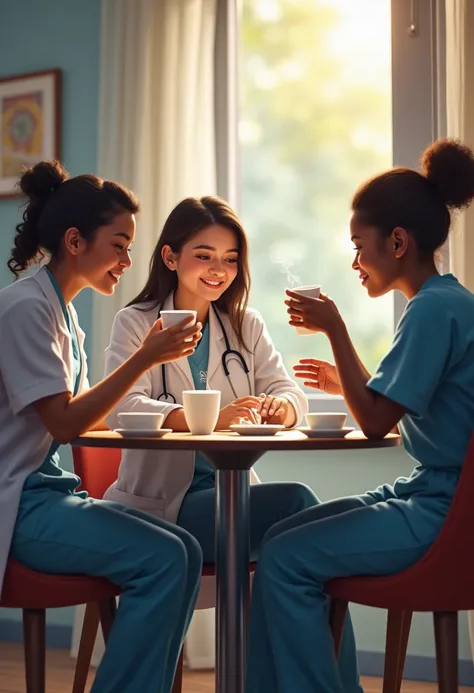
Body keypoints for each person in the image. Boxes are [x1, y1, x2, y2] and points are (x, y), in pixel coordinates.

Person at [244, 139, 474, 693]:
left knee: (283, 560)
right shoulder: (446, 302)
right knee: (278, 537)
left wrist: (336, 328)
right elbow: (404, 407)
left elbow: (375, 421)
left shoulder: (433, 310)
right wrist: (347, 380)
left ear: (398, 242)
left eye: (358, 246)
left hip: (443, 508)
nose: (354, 262)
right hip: (430, 490)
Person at [0, 160, 204, 693]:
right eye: (119, 245)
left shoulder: (61, 314)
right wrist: (142, 359)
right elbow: (66, 424)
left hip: (50, 496)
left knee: (182, 548)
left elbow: (87, 420)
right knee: (164, 557)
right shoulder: (24, 309)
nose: (126, 261)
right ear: (75, 240)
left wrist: (163, 415)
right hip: (21, 506)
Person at [103, 196, 317, 573]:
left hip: (231, 493)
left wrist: (277, 410)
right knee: (297, 508)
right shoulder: (135, 322)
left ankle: (283, 630)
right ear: (170, 258)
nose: (219, 269)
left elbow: (292, 394)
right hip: (163, 509)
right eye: (204, 255)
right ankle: (309, 633)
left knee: (303, 553)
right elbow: (123, 408)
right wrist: (212, 419)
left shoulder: (244, 324)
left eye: (230, 259)